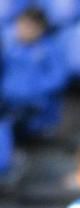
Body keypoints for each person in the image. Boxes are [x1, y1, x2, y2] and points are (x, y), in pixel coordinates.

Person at [0, 8, 66, 139]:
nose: (22, 29)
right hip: (8, 101)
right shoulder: (10, 49)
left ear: (40, 28)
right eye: (20, 25)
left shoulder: (50, 50)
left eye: (28, 26)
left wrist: (33, 90)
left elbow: (58, 78)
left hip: (35, 105)